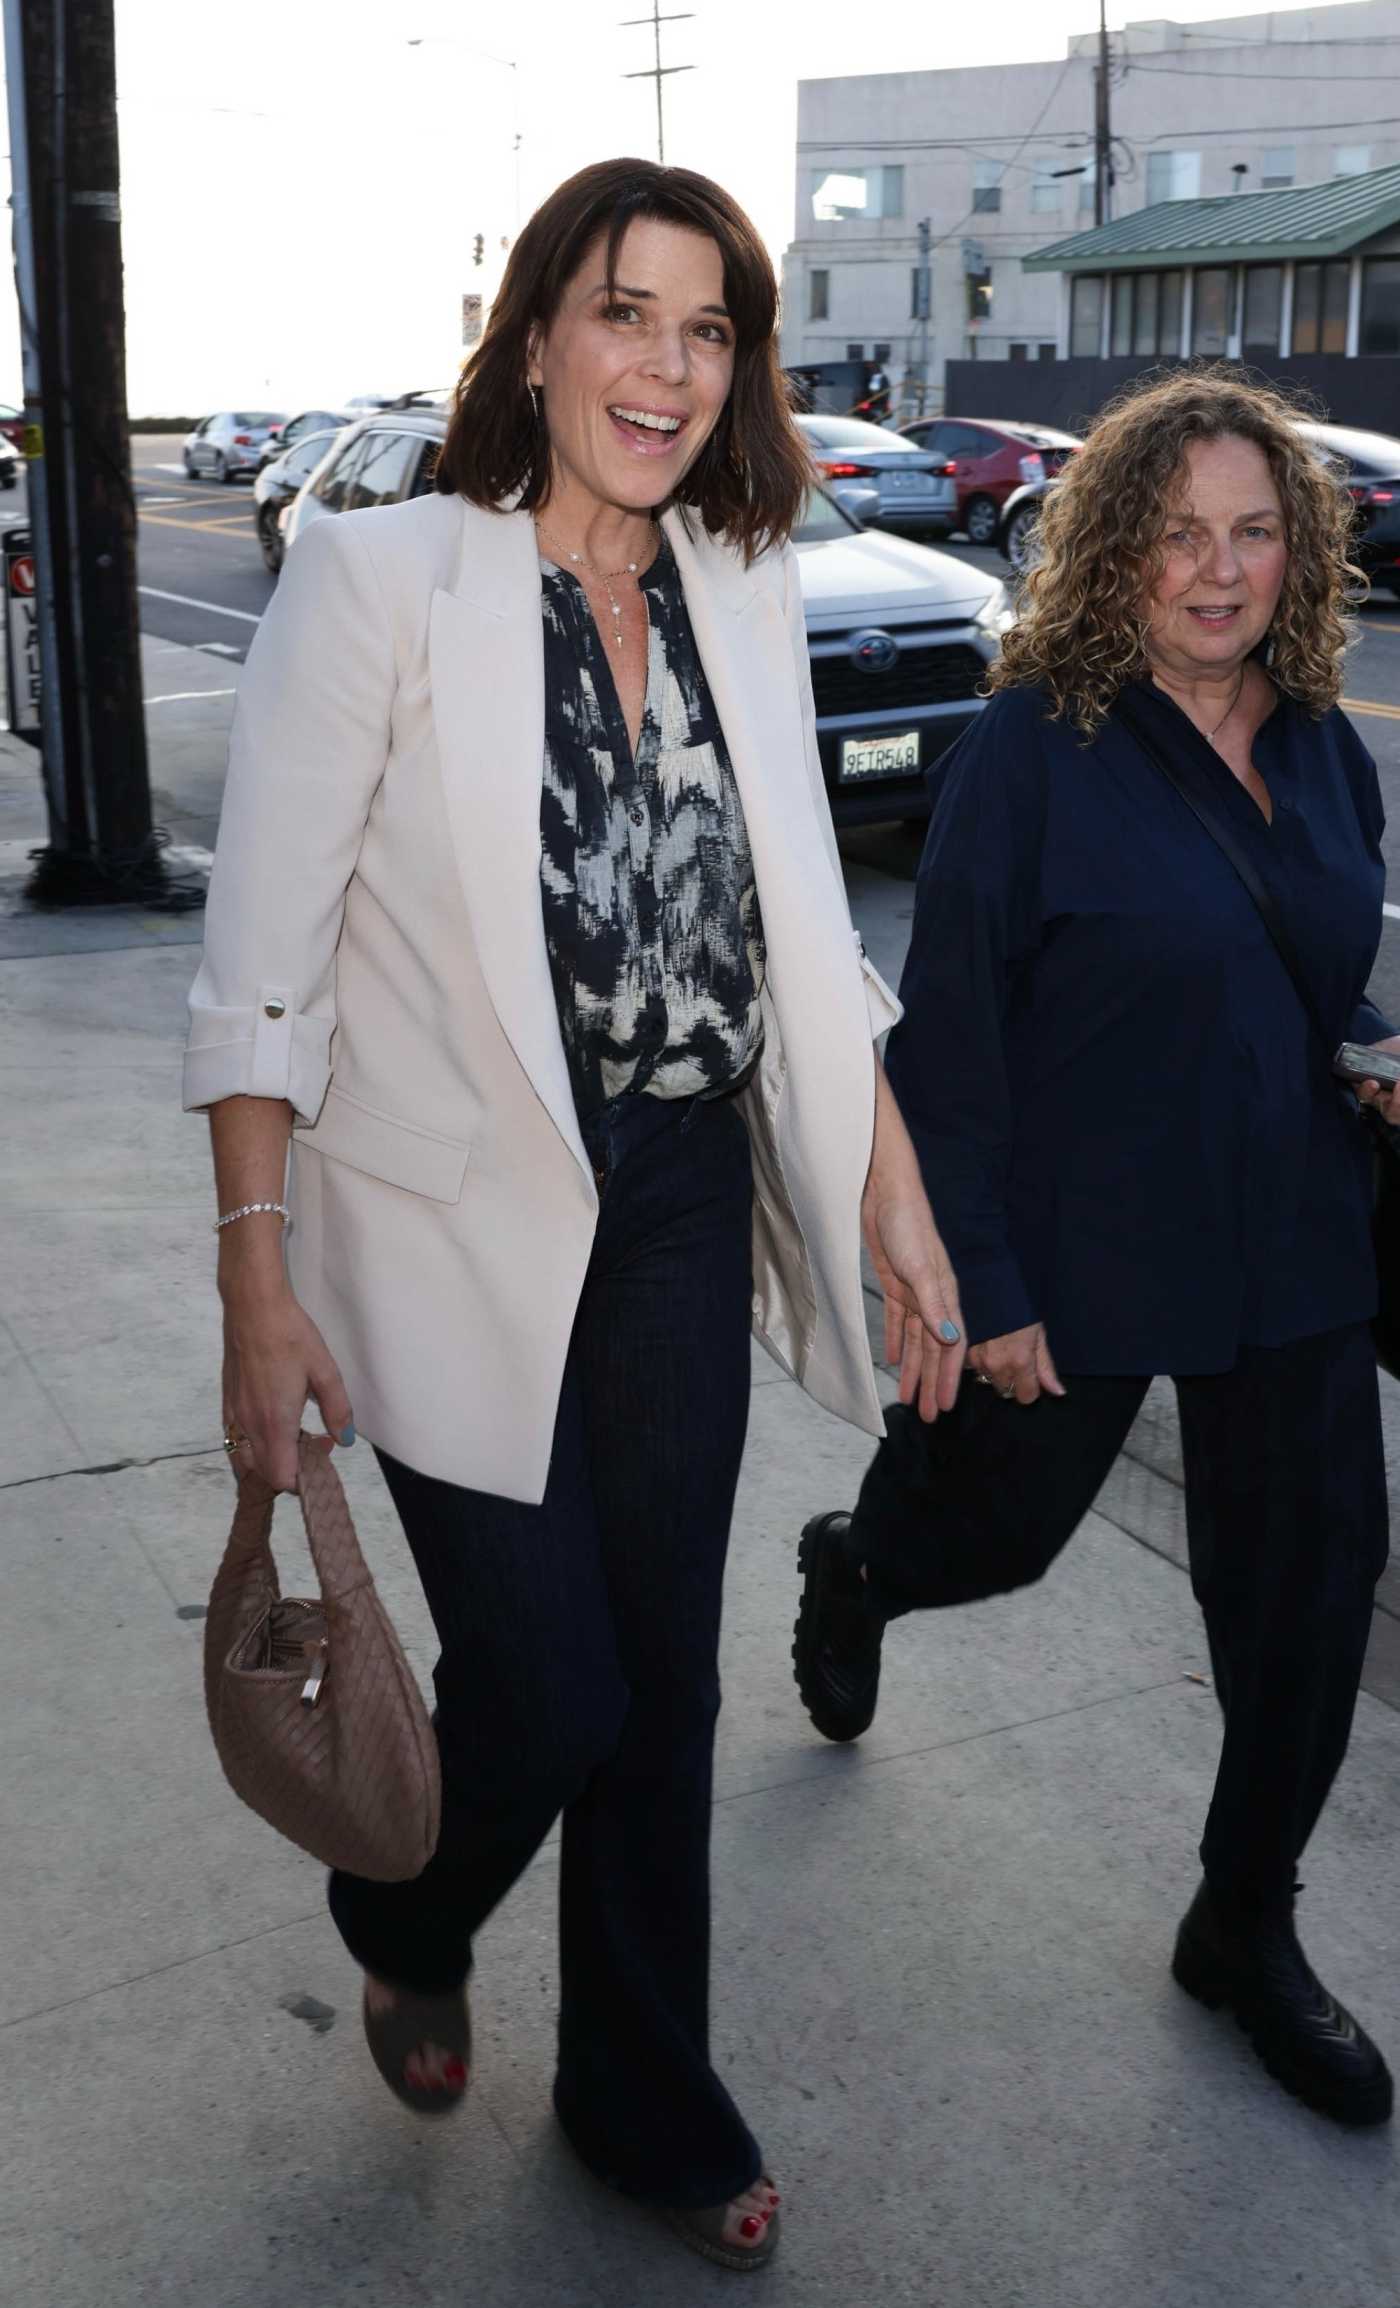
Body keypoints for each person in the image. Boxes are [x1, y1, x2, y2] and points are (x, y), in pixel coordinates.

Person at [185, 158, 965, 2270]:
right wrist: (258, 1291)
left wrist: (888, 1191)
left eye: (708, 328)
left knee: (669, 1687)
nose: (666, 365)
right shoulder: (382, 578)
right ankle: (406, 1902)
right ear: (534, 335)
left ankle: (638, 2084)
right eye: (626, 313)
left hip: (685, 1189)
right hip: (440, 1221)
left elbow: (802, 928)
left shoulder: (738, 584)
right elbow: (256, 965)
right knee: (547, 1681)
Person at [792, 368, 1399, 2129]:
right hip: (1074, 1243)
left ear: (1299, 551)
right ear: (1112, 552)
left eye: (1254, 534)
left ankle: (1244, 1919)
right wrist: (978, 1276)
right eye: (1179, 536)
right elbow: (949, 1037)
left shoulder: (1321, 744)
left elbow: (1295, 968)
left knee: (1301, 1599)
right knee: (991, 1532)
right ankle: (861, 1563)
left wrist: (1364, 1049)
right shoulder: (1027, 754)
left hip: (1290, 1234)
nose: (1219, 573)